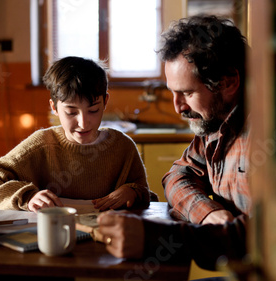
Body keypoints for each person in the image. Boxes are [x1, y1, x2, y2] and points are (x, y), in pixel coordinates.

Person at [98, 15, 249, 270]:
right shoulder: (214, 126)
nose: (178, 107)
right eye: (173, 92)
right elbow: (177, 176)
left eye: (187, 93)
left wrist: (156, 239)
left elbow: (273, 234)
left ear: (229, 82)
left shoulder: (274, 131)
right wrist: (208, 213)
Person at [0, 56, 152, 213]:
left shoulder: (122, 147)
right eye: (71, 112)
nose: (83, 123)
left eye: (93, 110)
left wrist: (133, 191)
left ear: (105, 101)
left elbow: (147, 197)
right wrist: (28, 197)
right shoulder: (41, 145)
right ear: (54, 107)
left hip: (108, 245)